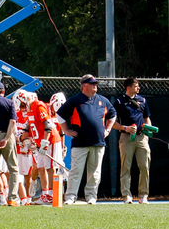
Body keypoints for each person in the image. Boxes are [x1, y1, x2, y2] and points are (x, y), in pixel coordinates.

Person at [56, 74, 117, 205]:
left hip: (98, 142)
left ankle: (91, 197)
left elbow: (113, 114)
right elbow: (59, 115)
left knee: (95, 172)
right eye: (92, 83)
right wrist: (66, 131)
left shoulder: (103, 100)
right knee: (76, 171)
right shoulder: (75, 100)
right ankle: (71, 197)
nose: (95, 85)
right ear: (84, 85)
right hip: (80, 143)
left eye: (96, 83)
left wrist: (108, 129)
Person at [112, 77, 151, 204]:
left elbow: (147, 118)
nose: (138, 88)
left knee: (144, 166)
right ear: (128, 87)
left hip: (141, 138)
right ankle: (126, 196)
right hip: (126, 138)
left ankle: (143, 195)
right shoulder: (119, 102)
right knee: (126, 167)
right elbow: (112, 122)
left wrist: (147, 133)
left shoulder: (143, 100)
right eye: (136, 86)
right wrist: (125, 128)